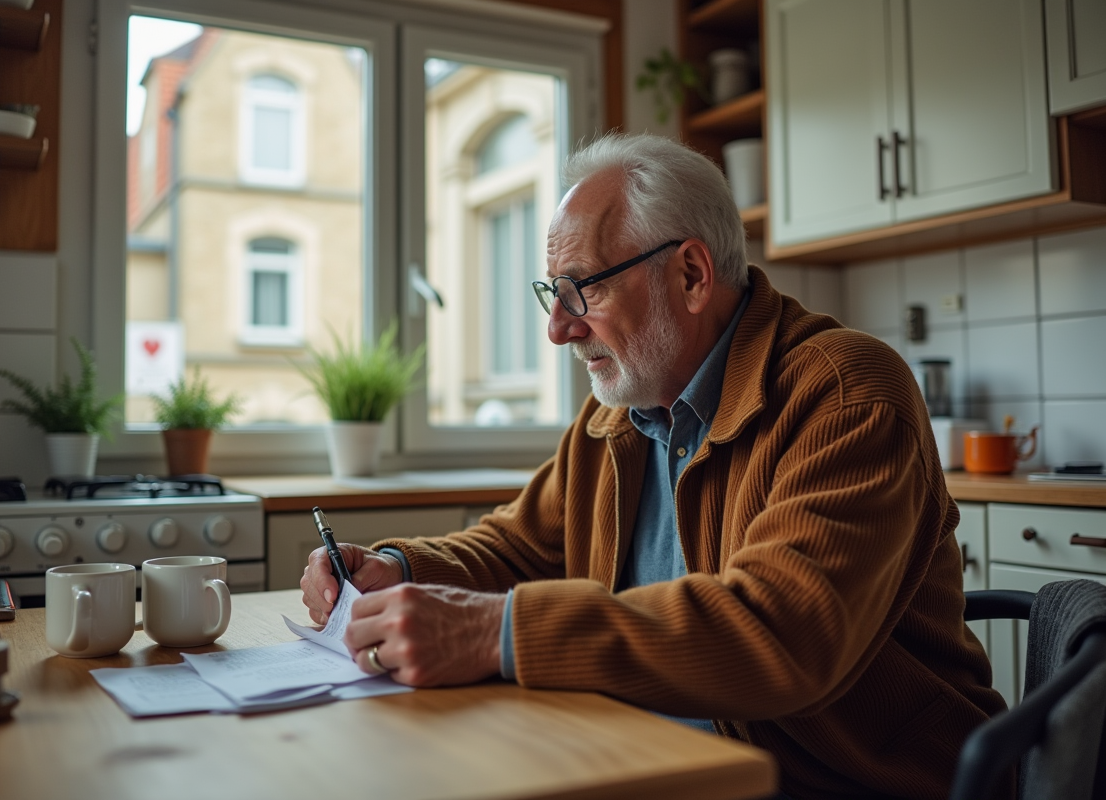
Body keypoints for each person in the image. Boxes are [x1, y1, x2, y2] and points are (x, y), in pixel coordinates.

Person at [300, 133, 1006, 800]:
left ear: (691, 275)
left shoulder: (845, 393)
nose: (559, 328)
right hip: (652, 755)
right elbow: (520, 547)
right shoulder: (619, 412)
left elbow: (779, 634)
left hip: (844, 783)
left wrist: (494, 632)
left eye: (584, 288)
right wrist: (398, 567)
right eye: (554, 292)